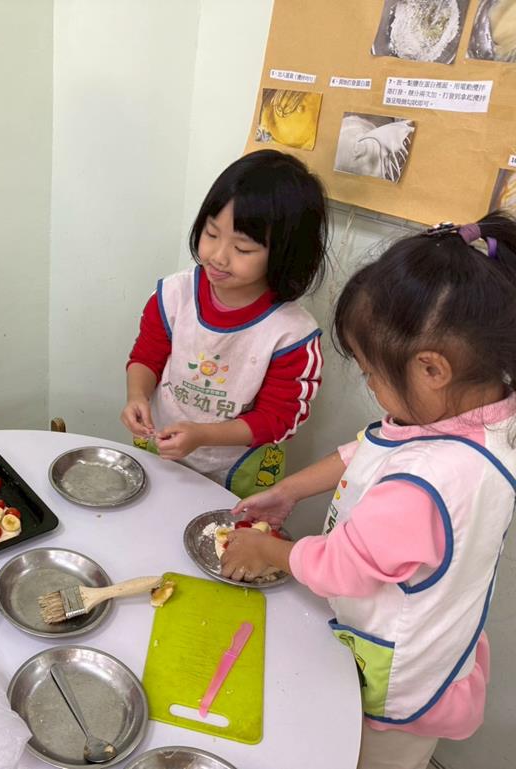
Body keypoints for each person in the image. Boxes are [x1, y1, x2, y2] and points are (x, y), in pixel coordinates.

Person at [221, 216, 516, 769]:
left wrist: (271, 551)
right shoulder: (487, 413)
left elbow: (342, 568)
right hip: (438, 644)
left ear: (431, 369)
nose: (372, 387)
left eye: (371, 373)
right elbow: (371, 447)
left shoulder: (428, 482)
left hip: (396, 683)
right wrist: (290, 490)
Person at [122, 149, 328, 497]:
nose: (218, 256)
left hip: (238, 468)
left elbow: (277, 419)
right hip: (163, 448)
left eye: (242, 249)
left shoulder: (292, 334)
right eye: (211, 233)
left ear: (285, 254)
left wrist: (204, 435)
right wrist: (136, 395)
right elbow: (146, 356)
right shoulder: (174, 295)